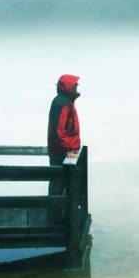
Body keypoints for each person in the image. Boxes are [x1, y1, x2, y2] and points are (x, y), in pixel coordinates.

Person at [47, 74, 81, 219]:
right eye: (75, 85)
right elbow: (59, 131)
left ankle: (58, 215)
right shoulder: (62, 103)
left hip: (62, 151)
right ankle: (55, 218)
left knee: (61, 183)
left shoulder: (64, 101)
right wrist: (69, 149)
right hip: (62, 152)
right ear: (68, 87)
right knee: (58, 184)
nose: (77, 87)